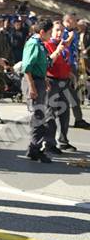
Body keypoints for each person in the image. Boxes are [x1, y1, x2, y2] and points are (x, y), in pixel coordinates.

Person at [22, 18, 68, 163]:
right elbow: (27, 68)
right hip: (34, 82)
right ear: (42, 32)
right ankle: (34, 149)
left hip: (40, 80)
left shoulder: (40, 44)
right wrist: (32, 87)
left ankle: (34, 148)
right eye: (49, 32)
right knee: (38, 116)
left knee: (40, 116)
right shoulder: (33, 44)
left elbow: (45, 63)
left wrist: (44, 78)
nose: (50, 35)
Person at [44, 21, 77, 153]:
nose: (59, 33)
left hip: (63, 81)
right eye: (57, 30)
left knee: (64, 112)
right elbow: (48, 63)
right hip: (51, 81)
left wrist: (69, 74)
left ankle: (63, 141)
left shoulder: (63, 45)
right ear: (51, 32)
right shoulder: (47, 44)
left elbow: (64, 62)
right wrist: (58, 51)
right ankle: (49, 143)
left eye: (62, 31)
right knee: (50, 113)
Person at [62, 13, 90, 130]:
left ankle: (78, 119)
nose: (76, 23)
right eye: (74, 20)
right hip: (64, 67)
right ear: (68, 21)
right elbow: (63, 48)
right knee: (64, 96)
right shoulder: (62, 32)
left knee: (74, 95)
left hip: (73, 66)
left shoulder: (74, 33)